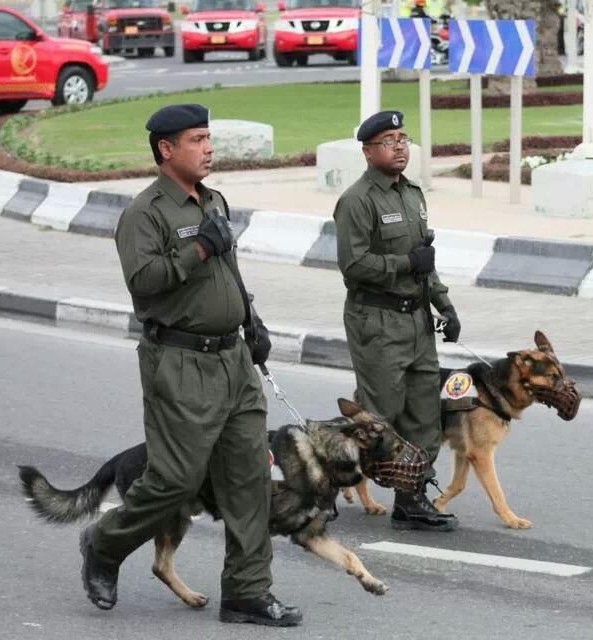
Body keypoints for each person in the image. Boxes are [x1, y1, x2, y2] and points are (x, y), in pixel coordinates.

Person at [79, 103, 302, 628]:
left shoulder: (215, 199)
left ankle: (248, 593)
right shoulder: (145, 213)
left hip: (234, 360)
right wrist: (198, 247)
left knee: (250, 480)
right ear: (166, 149)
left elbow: (230, 271)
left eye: (209, 138)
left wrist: (253, 321)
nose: (208, 148)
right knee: (176, 481)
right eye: (197, 139)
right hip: (178, 363)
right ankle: (104, 545)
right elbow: (144, 282)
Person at [333, 110, 462, 532]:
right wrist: (407, 262)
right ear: (369, 152)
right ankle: (325, 482)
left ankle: (411, 497)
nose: (400, 146)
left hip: (417, 320)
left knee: (425, 413)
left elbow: (426, 264)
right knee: (377, 416)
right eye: (389, 140)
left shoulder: (412, 195)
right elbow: (353, 265)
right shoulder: (357, 200)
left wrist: (444, 305)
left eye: (403, 138)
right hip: (377, 320)